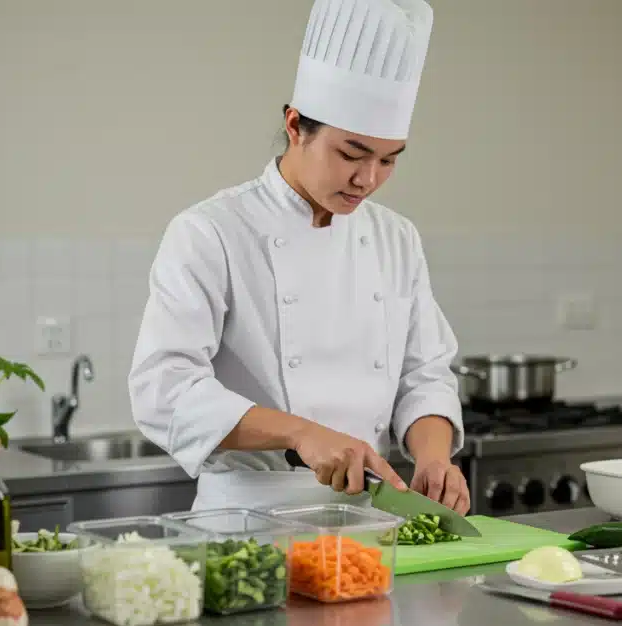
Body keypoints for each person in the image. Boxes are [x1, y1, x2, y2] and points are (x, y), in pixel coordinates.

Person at [128, 0, 470, 514]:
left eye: (388, 160)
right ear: (295, 125)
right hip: (246, 523)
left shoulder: (397, 238)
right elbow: (163, 392)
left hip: (367, 523)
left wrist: (434, 457)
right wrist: (302, 435)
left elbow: (424, 375)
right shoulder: (211, 232)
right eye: (351, 154)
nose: (368, 179)